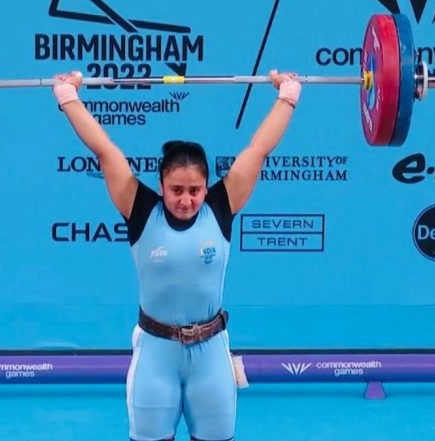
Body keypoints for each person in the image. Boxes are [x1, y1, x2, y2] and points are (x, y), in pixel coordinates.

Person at [52, 70, 301, 441]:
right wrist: (67, 96)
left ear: (206, 187)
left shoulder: (221, 206)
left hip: (212, 356)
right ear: (161, 185)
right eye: (176, 190)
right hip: (156, 356)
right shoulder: (140, 209)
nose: (186, 199)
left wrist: (288, 95)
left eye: (195, 190)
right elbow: (104, 150)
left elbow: (258, 149)